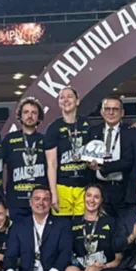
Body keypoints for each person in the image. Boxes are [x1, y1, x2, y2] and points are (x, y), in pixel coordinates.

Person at [44, 87, 92, 216]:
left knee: (82, 224)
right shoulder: (54, 128)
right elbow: (51, 163)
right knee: (62, 225)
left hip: (84, 186)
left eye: (69, 96)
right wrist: (53, 193)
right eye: (62, 97)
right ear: (59, 103)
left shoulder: (87, 125)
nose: (65, 100)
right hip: (62, 187)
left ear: (77, 101)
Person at [2, 97, 47, 222]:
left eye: (34, 112)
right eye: (26, 112)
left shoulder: (45, 140)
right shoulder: (9, 139)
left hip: (40, 201)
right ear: (20, 116)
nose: (30, 116)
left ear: (39, 117)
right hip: (16, 202)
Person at [87, 95, 128, 217]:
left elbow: (128, 160)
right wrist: (89, 163)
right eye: (107, 109)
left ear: (122, 113)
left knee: (123, 224)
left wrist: (103, 167)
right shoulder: (93, 131)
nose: (111, 112)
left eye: (115, 109)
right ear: (101, 112)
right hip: (100, 188)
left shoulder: (130, 130)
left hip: (122, 189)